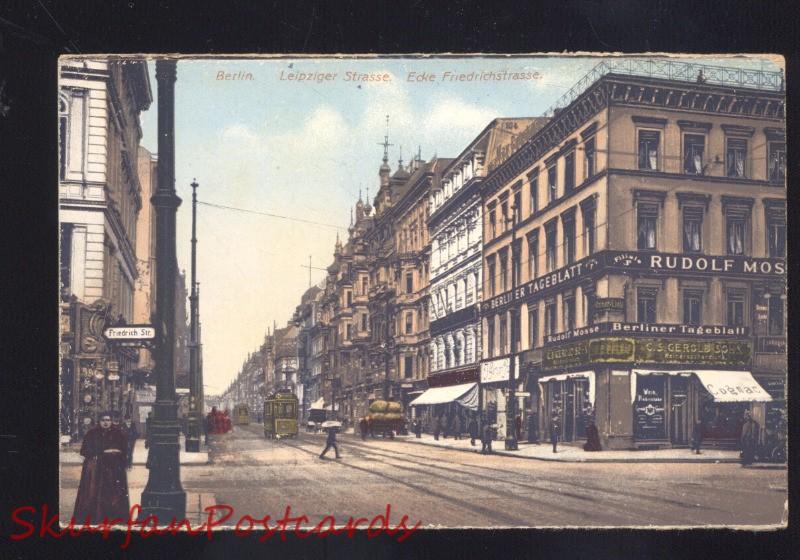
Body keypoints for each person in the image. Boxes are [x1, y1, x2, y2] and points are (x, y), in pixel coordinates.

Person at [73, 412, 130, 524]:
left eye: (108, 420)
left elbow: (124, 451)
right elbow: (85, 451)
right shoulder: (92, 433)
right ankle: (95, 517)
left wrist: (117, 456)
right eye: (103, 420)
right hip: (97, 469)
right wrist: (103, 452)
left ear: (111, 421)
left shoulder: (118, 434)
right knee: (94, 492)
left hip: (113, 469)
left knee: (113, 493)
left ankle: (112, 517)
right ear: (99, 421)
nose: (105, 422)